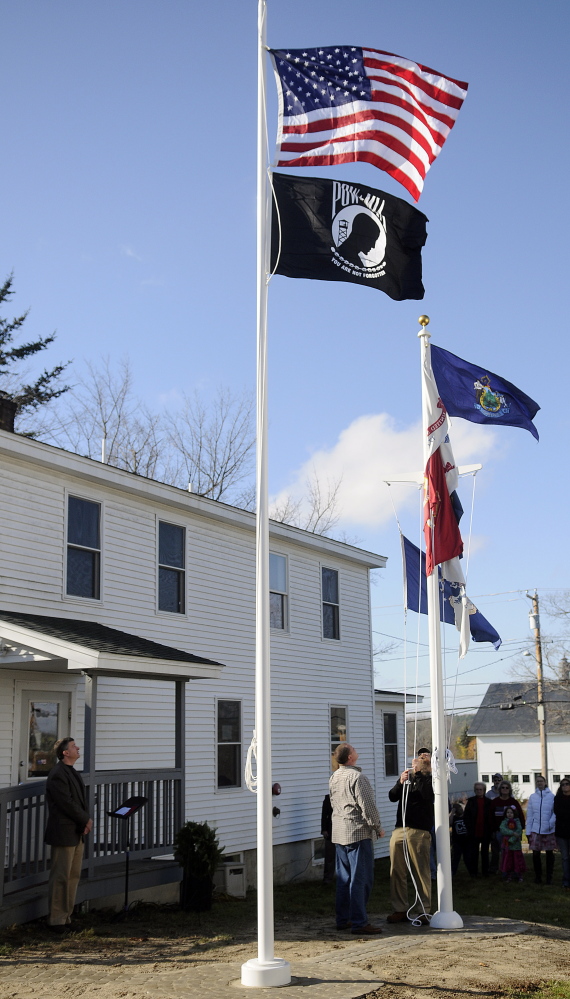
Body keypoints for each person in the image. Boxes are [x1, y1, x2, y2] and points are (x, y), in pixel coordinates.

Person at [329, 743, 385, 935]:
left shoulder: (334, 776)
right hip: (357, 833)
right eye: (353, 749)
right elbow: (367, 806)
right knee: (360, 879)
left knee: (344, 879)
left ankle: (343, 919)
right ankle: (359, 922)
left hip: (339, 832)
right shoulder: (357, 777)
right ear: (350, 757)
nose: (356, 750)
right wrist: (377, 827)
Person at [44, 737, 92, 932]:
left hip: (76, 832)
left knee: (73, 876)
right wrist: (86, 820)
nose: (77, 748)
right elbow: (66, 803)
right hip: (63, 832)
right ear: (65, 752)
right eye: (73, 746)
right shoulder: (57, 774)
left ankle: (66, 918)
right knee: (61, 876)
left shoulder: (72, 772)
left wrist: (84, 822)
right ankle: (55, 920)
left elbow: (78, 802)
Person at [387, 747, 434, 925]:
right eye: (419, 755)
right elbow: (392, 796)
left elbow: (426, 795)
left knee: (420, 871)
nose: (419, 758)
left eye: (424, 756)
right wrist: (400, 782)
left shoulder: (430, 779)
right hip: (400, 828)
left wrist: (420, 774)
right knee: (397, 870)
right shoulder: (409, 778)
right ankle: (399, 908)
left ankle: (423, 910)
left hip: (419, 831)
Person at [525, 775, 556, 885]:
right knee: (535, 854)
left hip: (548, 830)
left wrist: (550, 824)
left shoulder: (552, 796)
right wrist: (528, 831)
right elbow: (529, 815)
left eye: (541, 781)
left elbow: (555, 812)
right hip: (535, 830)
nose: (539, 783)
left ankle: (549, 877)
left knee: (549, 854)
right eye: (537, 781)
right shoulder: (533, 797)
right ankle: (538, 876)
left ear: (545, 782)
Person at [489, 780, 524, 874]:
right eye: (502, 787)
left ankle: (512, 869)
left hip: (512, 833)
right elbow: (490, 817)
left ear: (510, 790)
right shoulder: (495, 802)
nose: (504, 789)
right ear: (499, 789)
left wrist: (520, 831)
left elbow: (520, 816)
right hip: (498, 831)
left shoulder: (513, 802)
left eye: (507, 787)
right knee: (497, 852)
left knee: (511, 852)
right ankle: (497, 869)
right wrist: (492, 830)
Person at [463, 782, 494, 877]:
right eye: (477, 790)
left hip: (485, 831)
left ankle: (485, 872)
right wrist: (469, 828)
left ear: (484, 790)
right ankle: (474, 872)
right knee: (473, 853)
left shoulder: (489, 802)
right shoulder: (471, 801)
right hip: (473, 831)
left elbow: (491, 817)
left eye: (480, 790)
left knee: (485, 853)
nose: (479, 791)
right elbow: (466, 816)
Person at [499, 806, 525, 882]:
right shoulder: (504, 821)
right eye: (508, 812)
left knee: (517, 860)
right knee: (508, 860)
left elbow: (519, 831)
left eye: (511, 812)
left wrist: (512, 839)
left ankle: (519, 875)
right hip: (507, 845)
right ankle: (509, 875)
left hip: (516, 845)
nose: (509, 814)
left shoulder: (517, 821)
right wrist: (512, 833)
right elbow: (502, 829)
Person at [553, 778, 570, 890]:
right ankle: (566, 881)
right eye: (562, 784)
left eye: (567, 784)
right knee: (565, 858)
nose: (564, 786)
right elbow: (557, 812)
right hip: (561, 833)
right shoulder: (557, 799)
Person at [450, 801, 470, 876]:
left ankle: (471, 872)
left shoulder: (465, 816)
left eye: (460, 808)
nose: (460, 810)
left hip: (466, 841)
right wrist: (452, 812)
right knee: (455, 858)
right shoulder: (454, 818)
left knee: (467, 858)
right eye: (458, 809)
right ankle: (452, 872)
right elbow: (449, 822)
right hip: (457, 842)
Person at [321, 793, 335, 884]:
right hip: (331, 831)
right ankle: (328, 879)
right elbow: (324, 815)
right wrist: (324, 829)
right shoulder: (328, 799)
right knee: (330, 856)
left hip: (343, 830)